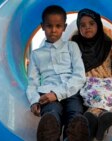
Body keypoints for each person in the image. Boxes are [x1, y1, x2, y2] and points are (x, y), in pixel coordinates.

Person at [26, 5, 89, 141]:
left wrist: (57, 94)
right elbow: (32, 82)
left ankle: (73, 136)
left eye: (58, 26)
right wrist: (34, 101)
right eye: (49, 26)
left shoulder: (72, 47)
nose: (53, 30)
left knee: (75, 114)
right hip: (47, 92)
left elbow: (79, 76)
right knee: (51, 113)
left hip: (71, 91)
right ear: (42, 26)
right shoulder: (36, 54)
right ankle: (50, 136)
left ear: (64, 27)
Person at [71, 8, 112, 141]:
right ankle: (100, 122)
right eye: (82, 25)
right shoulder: (75, 43)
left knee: (107, 93)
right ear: (78, 27)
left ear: (98, 25)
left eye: (91, 23)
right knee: (93, 95)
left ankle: (93, 122)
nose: (87, 27)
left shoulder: (107, 43)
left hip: (105, 81)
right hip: (86, 81)